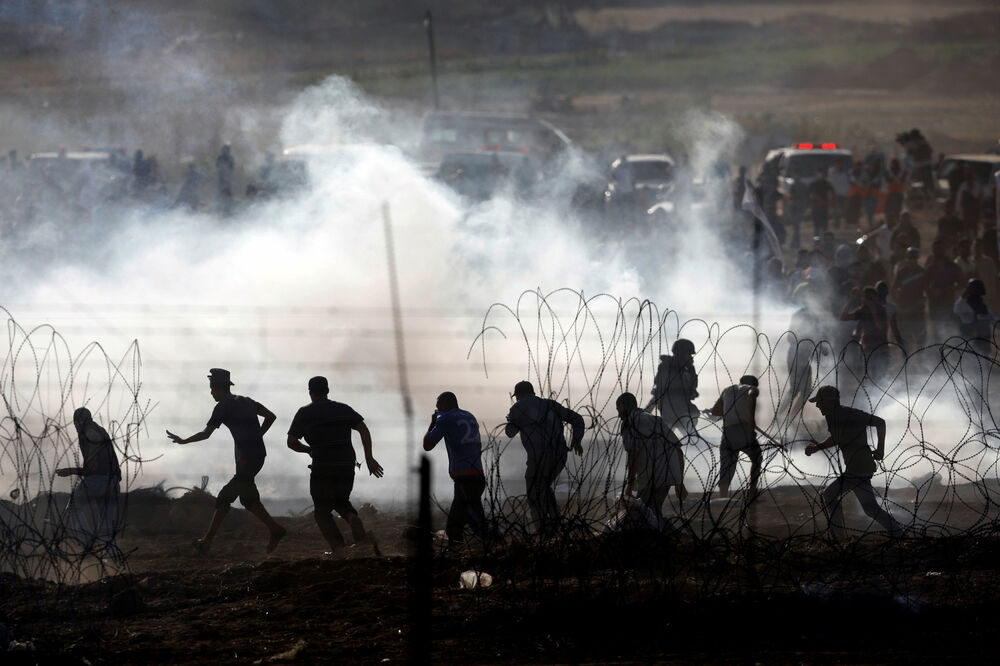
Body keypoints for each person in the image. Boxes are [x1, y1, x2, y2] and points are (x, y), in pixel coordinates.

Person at [166, 368, 287, 554]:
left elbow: (206, 434)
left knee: (224, 497)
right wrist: (258, 436)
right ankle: (275, 530)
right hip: (257, 455)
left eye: (212, 388)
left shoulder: (222, 406)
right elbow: (271, 416)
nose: (211, 392)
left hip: (247, 458)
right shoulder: (246, 401)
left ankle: (206, 543)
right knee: (248, 499)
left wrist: (183, 440)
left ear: (216, 387)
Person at [286, 376, 383, 555]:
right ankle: (353, 518)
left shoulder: (304, 413)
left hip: (322, 466)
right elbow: (363, 428)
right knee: (341, 500)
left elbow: (291, 442)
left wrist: (308, 450)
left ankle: (339, 549)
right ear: (328, 390)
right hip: (346, 465)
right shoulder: (342, 408)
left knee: (321, 512)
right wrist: (369, 458)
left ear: (310, 392)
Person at [805, 386, 905, 537]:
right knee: (870, 507)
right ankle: (898, 533)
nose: (818, 405)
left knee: (830, 495)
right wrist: (817, 447)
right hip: (858, 466)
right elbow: (838, 437)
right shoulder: (838, 415)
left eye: (819, 402)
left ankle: (840, 537)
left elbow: (880, 422)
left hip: (858, 467)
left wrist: (881, 449)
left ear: (828, 401)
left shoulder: (844, 414)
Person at [504, 380, 584, 536]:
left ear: (518, 395)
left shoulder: (517, 408)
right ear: (533, 392)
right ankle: (556, 524)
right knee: (544, 487)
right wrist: (576, 441)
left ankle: (542, 531)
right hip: (559, 456)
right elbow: (578, 419)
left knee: (534, 492)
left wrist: (511, 420)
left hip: (539, 458)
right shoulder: (550, 405)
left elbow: (509, 433)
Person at [55, 407, 122, 557]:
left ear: (78, 422)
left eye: (75, 424)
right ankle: (112, 559)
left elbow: (93, 466)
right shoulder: (99, 429)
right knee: (106, 524)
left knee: (72, 507)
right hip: (113, 481)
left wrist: (72, 470)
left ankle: (88, 540)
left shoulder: (88, 430)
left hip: (98, 480)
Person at [424, 391, 487, 547]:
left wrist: (432, 423)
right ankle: (455, 547)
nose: (436, 408)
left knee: (470, 518)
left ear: (446, 404)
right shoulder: (469, 416)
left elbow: (427, 445)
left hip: (465, 477)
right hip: (477, 473)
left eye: (438, 404)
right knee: (463, 517)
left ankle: (496, 543)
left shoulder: (445, 419)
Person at [616, 392, 685, 525]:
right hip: (667, 474)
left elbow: (633, 454)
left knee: (645, 513)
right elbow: (678, 450)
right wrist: (679, 481)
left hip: (651, 476)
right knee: (651, 511)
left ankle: (661, 538)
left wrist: (630, 485)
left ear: (623, 406)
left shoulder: (630, 423)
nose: (619, 415)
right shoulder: (655, 420)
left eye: (618, 409)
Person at [710, 375, 762, 500]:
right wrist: (751, 421)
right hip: (743, 430)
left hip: (728, 432)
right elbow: (751, 394)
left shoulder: (727, 390)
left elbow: (715, 411)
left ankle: (723, 496)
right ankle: (752, 493)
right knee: (757, 458)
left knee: (727, 465)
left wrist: (730, 410)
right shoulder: (751, 388)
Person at [841, 286, 890, 382]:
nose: (865, 300)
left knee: (880, 376)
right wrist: (851, 299)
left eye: (868, 298)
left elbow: (880, 326)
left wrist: (873, 310)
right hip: (868, 347)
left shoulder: (881, 310)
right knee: (868, 376)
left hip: (881, 347)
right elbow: (844, 317)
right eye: (865, 297)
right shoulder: (863, 310)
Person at [954, 279, 997, 355]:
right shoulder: (965, 305)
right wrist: (964, 295)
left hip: (984, 341)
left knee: (985, 360)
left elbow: (994, 320)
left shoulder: (983, 307)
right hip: (971, 343)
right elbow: (957, 309)